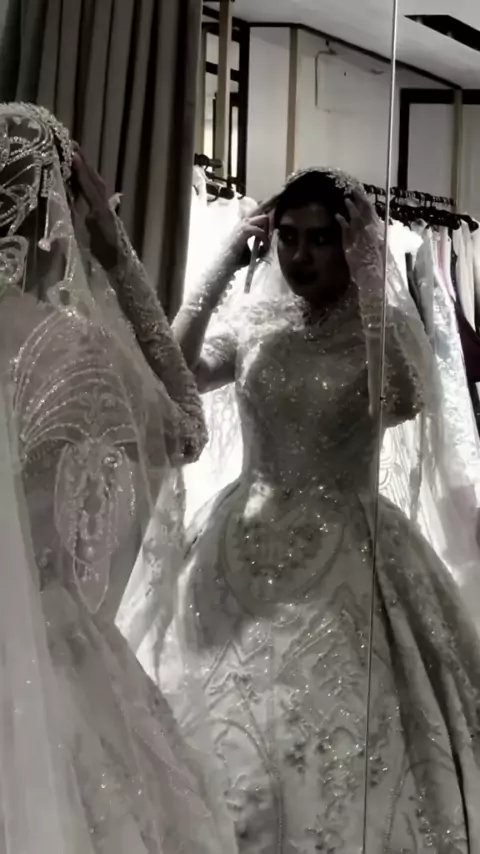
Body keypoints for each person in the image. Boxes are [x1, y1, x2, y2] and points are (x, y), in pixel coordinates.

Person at [134, 168, 480, 853]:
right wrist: (217, 269)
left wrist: (375, 281)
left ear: (351, 244)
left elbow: (402, 399)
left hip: (347, 543)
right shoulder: (257, 321)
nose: (299, 255)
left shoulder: (381, 329)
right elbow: (175, 377)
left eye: (320, 239)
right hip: (241, 534)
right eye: (288, 237)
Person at [0, 102, 235, 854]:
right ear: (57, 210)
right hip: (49, 653)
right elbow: (187, 427)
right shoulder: (73, 347)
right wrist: (118, 255)